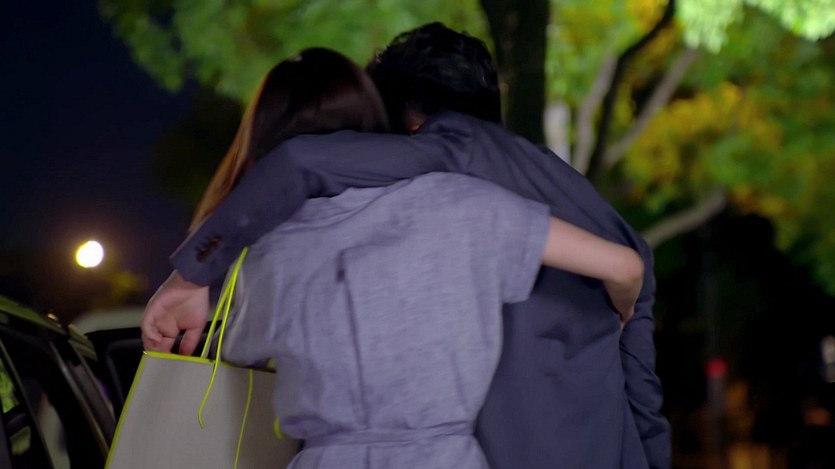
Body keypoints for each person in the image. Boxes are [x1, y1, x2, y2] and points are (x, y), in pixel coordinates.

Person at [143, 23, 671, 469]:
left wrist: (191, 275)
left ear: (406, 120)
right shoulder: (595, 208)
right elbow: (644, 395)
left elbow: (300, 162)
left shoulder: (446, 155)